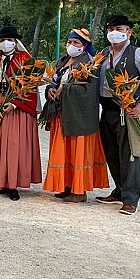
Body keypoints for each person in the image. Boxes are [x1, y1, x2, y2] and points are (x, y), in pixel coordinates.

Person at [96, 15, 140, 215]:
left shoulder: (138, 54)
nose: (114, 33)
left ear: (129, 32)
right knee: (111, 152)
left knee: (129, 155)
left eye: (118, 29)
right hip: (107, 109)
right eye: (110, 29)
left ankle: (131, 198)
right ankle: (119, 190)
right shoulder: (104, 54)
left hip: (127, 110)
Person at [41, 29, 109, 202]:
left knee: (77, 151)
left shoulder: (90, 64)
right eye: (70, 42)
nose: (72, 46)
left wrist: (65, 90)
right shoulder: (62, 61)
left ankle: (80, 191)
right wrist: (50, 89)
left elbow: (89, 90)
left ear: (84, 46)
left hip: (79, 116)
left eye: (76, 43)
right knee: (64, 151)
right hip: (61, 114)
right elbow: (53, 81)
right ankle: (67, 185)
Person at [0, 26, 42, 201]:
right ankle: (3, 182)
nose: (6, 43)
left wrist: (13, 103)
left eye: (10, 40)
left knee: (14, 145)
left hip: (17, 107)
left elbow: (30, 85)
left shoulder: (25, 58)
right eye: (3, 40)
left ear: (16, 42)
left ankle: (14, 184)